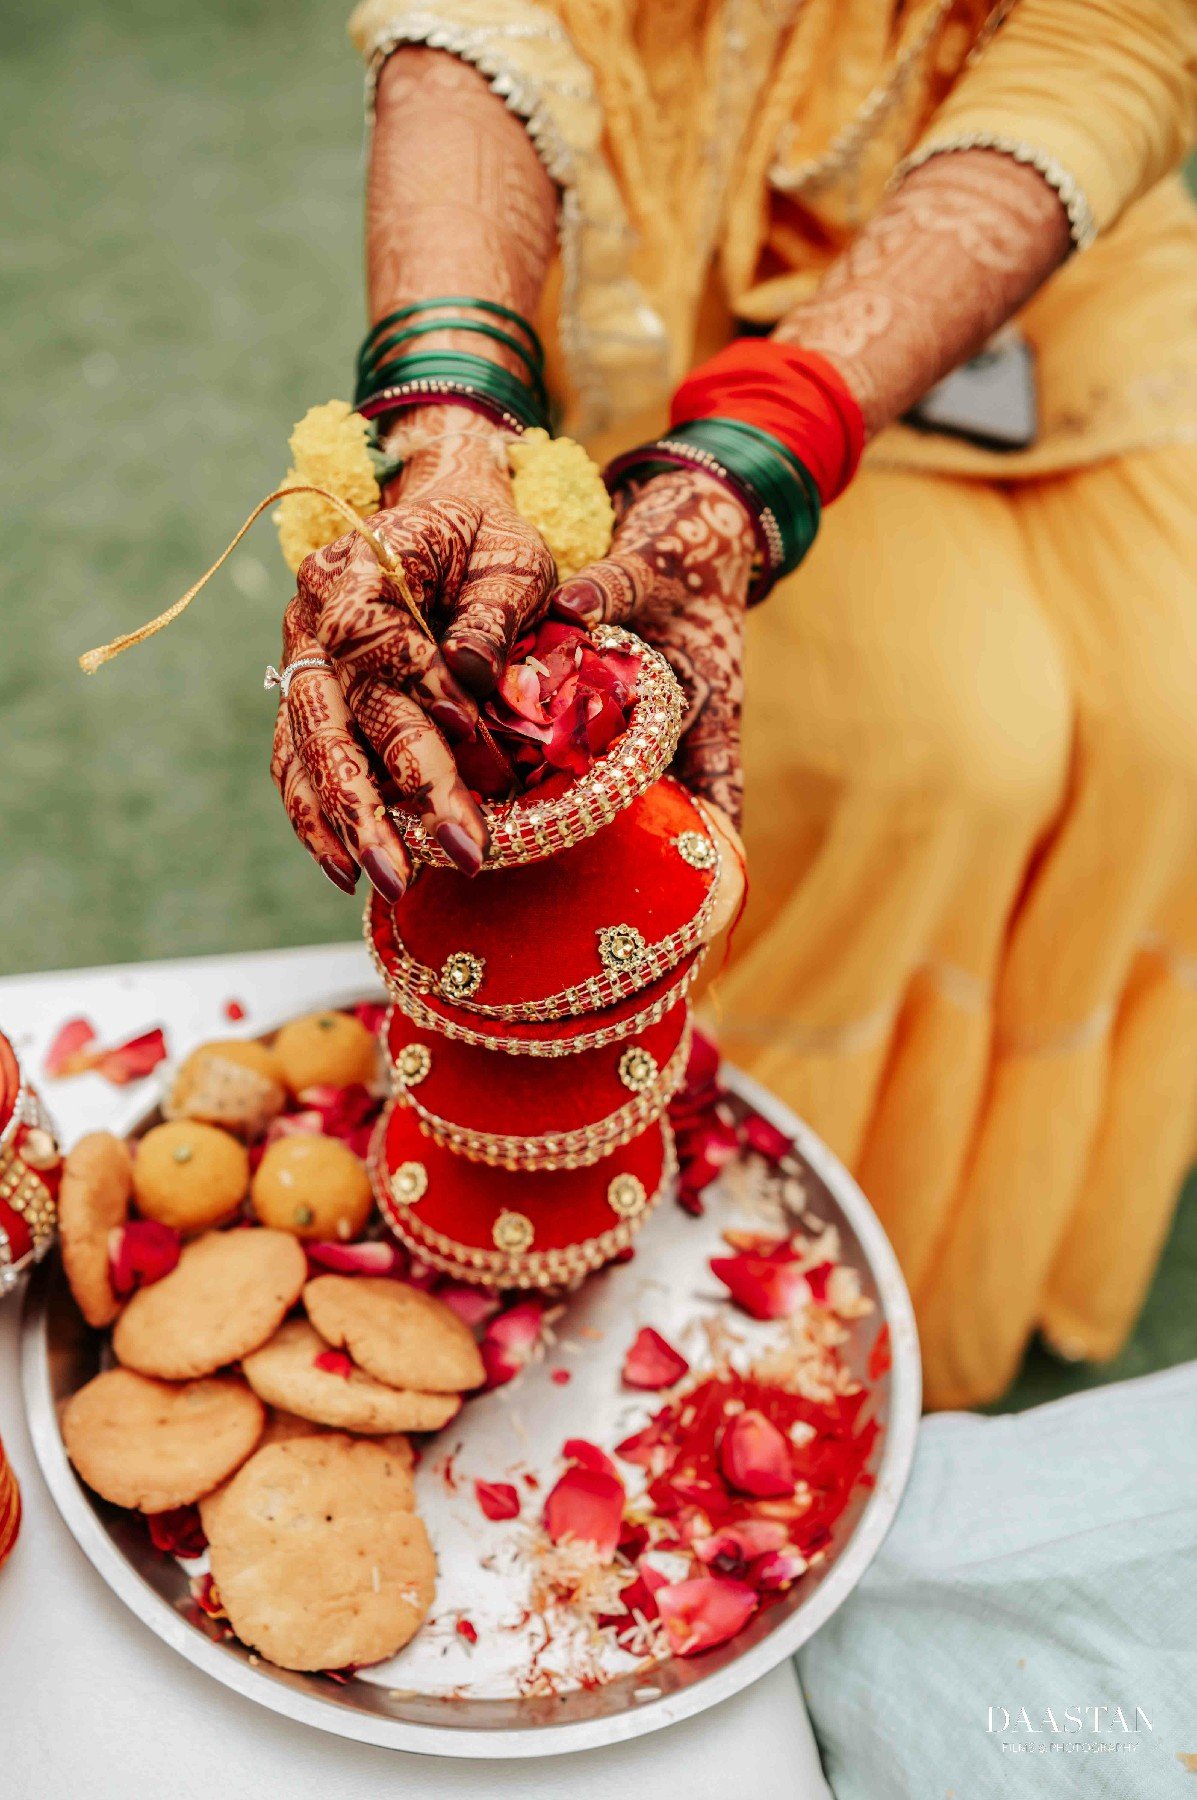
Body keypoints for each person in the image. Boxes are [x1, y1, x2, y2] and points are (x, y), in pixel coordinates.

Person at [269, 0, 1197, 1408]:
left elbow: (1114, 38)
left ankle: (925, 1258)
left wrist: (769, 446)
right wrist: (450, 419)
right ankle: (652, 1157)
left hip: (1032, 218)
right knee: (938, 756)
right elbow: (470, 23)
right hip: (642, 231)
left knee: (1165, 718)